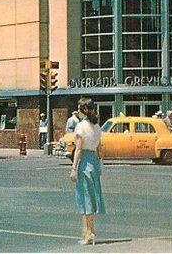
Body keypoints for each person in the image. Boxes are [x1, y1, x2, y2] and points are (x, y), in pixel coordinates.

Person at [70, 98, 105, 245]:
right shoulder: (96, 126)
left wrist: (73, 168)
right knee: (90, 196)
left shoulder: (81, 126)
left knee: (85, 197)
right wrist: (100, 165)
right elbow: (100, 149)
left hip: (85, 161)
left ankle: (90, 233)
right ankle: (86, 232)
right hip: (94, 162)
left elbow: (78, 149)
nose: (78, 112)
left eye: (79, 109)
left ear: (84, 110)